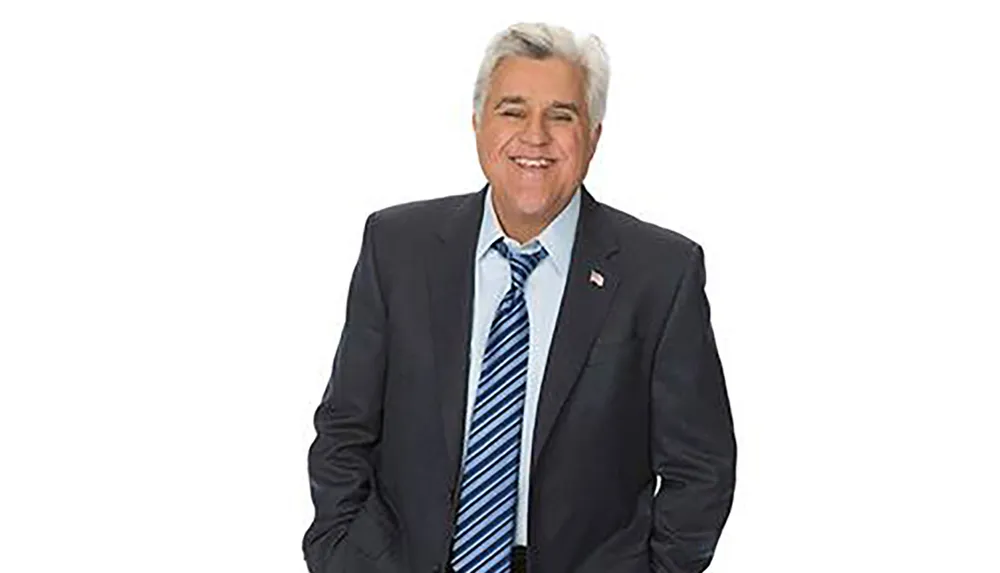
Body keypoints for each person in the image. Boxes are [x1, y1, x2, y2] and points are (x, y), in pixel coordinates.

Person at [302, 22, 736, 573]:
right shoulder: (397, 248)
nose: (535, 136)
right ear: (478, 124)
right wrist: (342, 554)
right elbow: (345, 428)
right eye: (512, 111)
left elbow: (701, 470)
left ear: (594, 136)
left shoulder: (661, 274)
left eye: (562, 115)